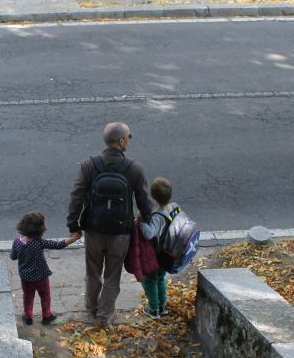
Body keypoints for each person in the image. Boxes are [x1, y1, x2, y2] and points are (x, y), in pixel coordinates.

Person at [66, 122, 154, 327]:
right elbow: (145, 203)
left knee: (93, 272)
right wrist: (146, 221)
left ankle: (90, 306)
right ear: (122, 141)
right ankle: (105, 316)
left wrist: (74, 224)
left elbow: (76, 196)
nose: (129, 141)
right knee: (112, 275)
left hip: (94, 231)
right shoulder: (134, 169)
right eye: (129, 137)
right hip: (120, 234)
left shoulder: (89, 165)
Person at [10, 212, 80, 326]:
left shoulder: (17, 242)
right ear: (40, 230)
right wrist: (73, 238)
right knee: (45, 295)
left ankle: (28, 317)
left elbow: (13, 257)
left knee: (28, 296)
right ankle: (47, 315)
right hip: (41, 277)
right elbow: (59, 245)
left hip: (25, 278)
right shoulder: (39, 242)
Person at [138, 177, 173, 319]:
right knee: (160, 279)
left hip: (156, 254)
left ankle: (153, 308)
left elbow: (149, 234)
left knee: (151, 280)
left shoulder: (157, 216)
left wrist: (141, 222)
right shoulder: (172, 209)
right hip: (167, 252)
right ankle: (162, 306)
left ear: (153, 197)